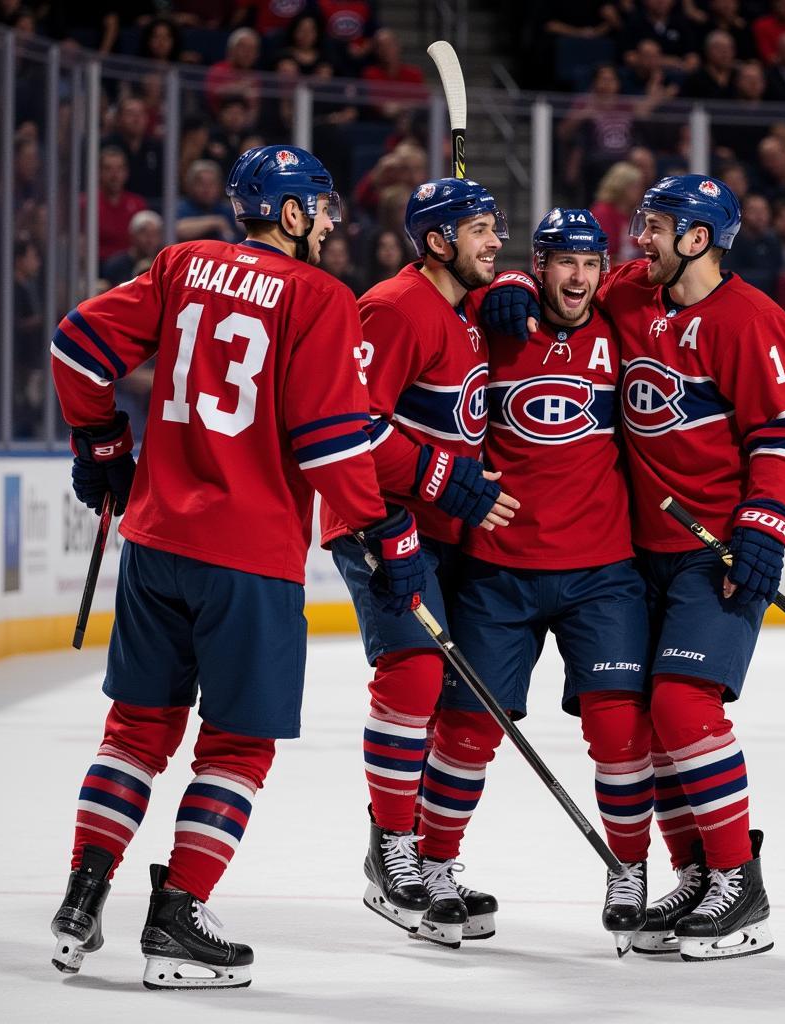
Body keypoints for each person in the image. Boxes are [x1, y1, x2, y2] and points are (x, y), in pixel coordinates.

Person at [48, 144, 426, 990]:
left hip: (153, 541)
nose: (331, 223)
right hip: (250, 560)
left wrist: (102, 439)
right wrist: (383, 528)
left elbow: (76, 348)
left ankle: (82, 898)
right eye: (320, 209)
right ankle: (179, 912)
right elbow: (329, 441)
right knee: (238, 744)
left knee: (137, 732)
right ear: (289, 214)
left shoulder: (182, 264)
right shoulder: (322, 297)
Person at [480, 174, 785, 961]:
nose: (639, 239)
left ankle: (741, 884)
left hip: (715, 554)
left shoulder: (750, 320)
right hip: (639, 557)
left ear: (698, 237)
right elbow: (571, 278)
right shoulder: (632, 291)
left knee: (686, 709)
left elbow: (784, 436)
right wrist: (515, 283)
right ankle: (696, 874)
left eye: (656, 226)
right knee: (655, 729)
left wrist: (766, 524)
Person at [422, 209, 653, 954]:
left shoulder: (620, 323)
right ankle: (436, 866)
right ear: (540, 264)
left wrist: (511, 284)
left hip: (602, 573)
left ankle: (630, 870)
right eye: (560, 263)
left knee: (620, 733)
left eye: (591, 262)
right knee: (467, 731)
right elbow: (460, 294)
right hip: (500, 569)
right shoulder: (493, 326)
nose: (578, 277)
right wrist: (502, 289)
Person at [319, 178, 520, 943]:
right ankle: (391, 854)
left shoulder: (462, 307)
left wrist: (510, 284)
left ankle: (430, 858)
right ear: (438, 243)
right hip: (375, 518)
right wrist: (441, 481)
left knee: (455, 693)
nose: (494, 241)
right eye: (479, 230)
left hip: (436, 527)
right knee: (413, 672)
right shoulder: (394, 308)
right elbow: (351, 424)